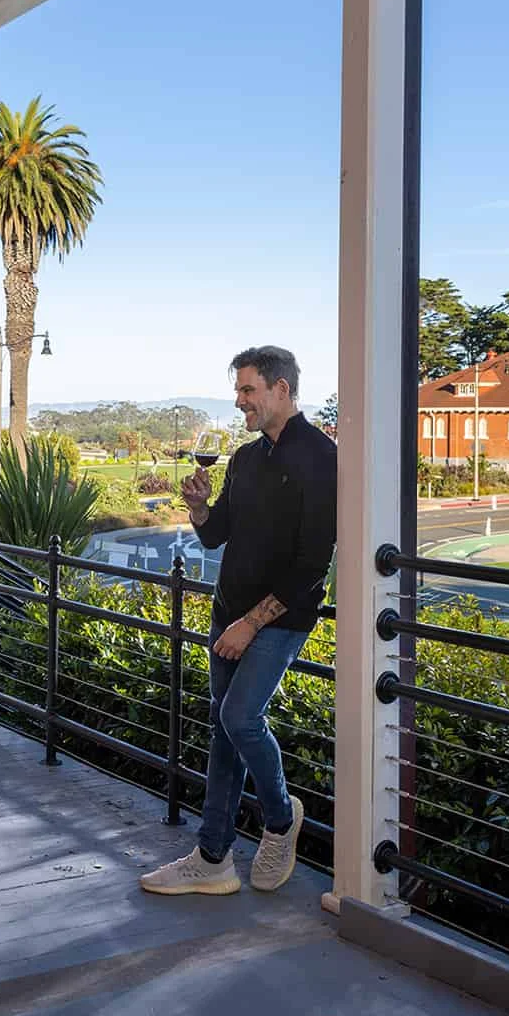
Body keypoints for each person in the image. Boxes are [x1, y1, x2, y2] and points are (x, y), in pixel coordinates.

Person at [141, 346, 336, 897]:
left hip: (279, 618)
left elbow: (312, 562)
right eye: (239, 390)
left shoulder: (322, 458)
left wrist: (251, 623)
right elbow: (214, 533)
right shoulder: (246, 459)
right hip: (228, 612)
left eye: (248, 390)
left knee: (240, 717)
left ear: (280, 389)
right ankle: (213, 858)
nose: (239, 400)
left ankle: (279, 819)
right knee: (224, 732)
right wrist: (199, 507)